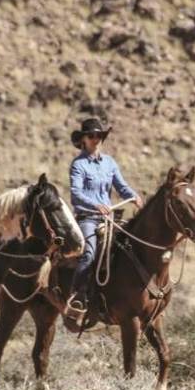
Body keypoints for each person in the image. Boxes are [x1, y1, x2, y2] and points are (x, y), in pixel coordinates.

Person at [68, 117, 142, 312]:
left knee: (129, 248)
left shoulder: (109, 163)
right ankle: (78, 294)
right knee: (90, 253)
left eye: (99, 135)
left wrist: (135, 196)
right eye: (91, 135)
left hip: (110, 219)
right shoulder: (78, 165)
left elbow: (122, 186)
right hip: (88, 218)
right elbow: (76, 193)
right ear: (83, 139)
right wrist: (96, 205)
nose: (96, 139)